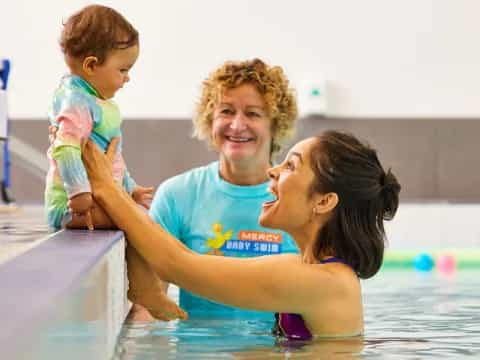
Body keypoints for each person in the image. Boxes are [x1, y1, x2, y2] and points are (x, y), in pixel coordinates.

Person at [81, 129, 401, 339]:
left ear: (324, 201)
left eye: (291, 166)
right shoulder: (317, 272)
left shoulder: (321, 281)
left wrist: (107, 189)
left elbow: (176, 263)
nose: (272, 171)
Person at [132, 58, 300, 319]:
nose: (237, 125)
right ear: (209, 120)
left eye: (253, 113)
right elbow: (149, 303)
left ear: (275, 125)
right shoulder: (178, 195)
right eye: (226, 111)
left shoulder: (299, 199)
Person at [44, 4, 153, 231]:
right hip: (72, 206)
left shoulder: (98, 102)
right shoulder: (76, 102)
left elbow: (113, 158)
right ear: (92, 65)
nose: (127, 78)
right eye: (122, 70)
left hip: (98, 196)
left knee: (143, 217)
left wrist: (130, 188)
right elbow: (66, 149)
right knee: (140, 222)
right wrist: (79, 192)